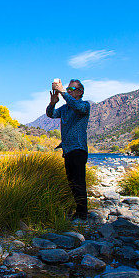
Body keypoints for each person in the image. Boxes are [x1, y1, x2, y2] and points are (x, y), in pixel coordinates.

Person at [47, 78, 90, 220]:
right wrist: (52, 103)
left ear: (80, 92)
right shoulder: (65, 108)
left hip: (78, 149)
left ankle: (83, 214)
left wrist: (63, 92)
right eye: (68, 88)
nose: (69, 91)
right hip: (68, 150)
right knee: (72, 182)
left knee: (79, 182)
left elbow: (77, 107)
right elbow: (50, 114)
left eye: (72, 89)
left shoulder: (84, 105)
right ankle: (79, 211)